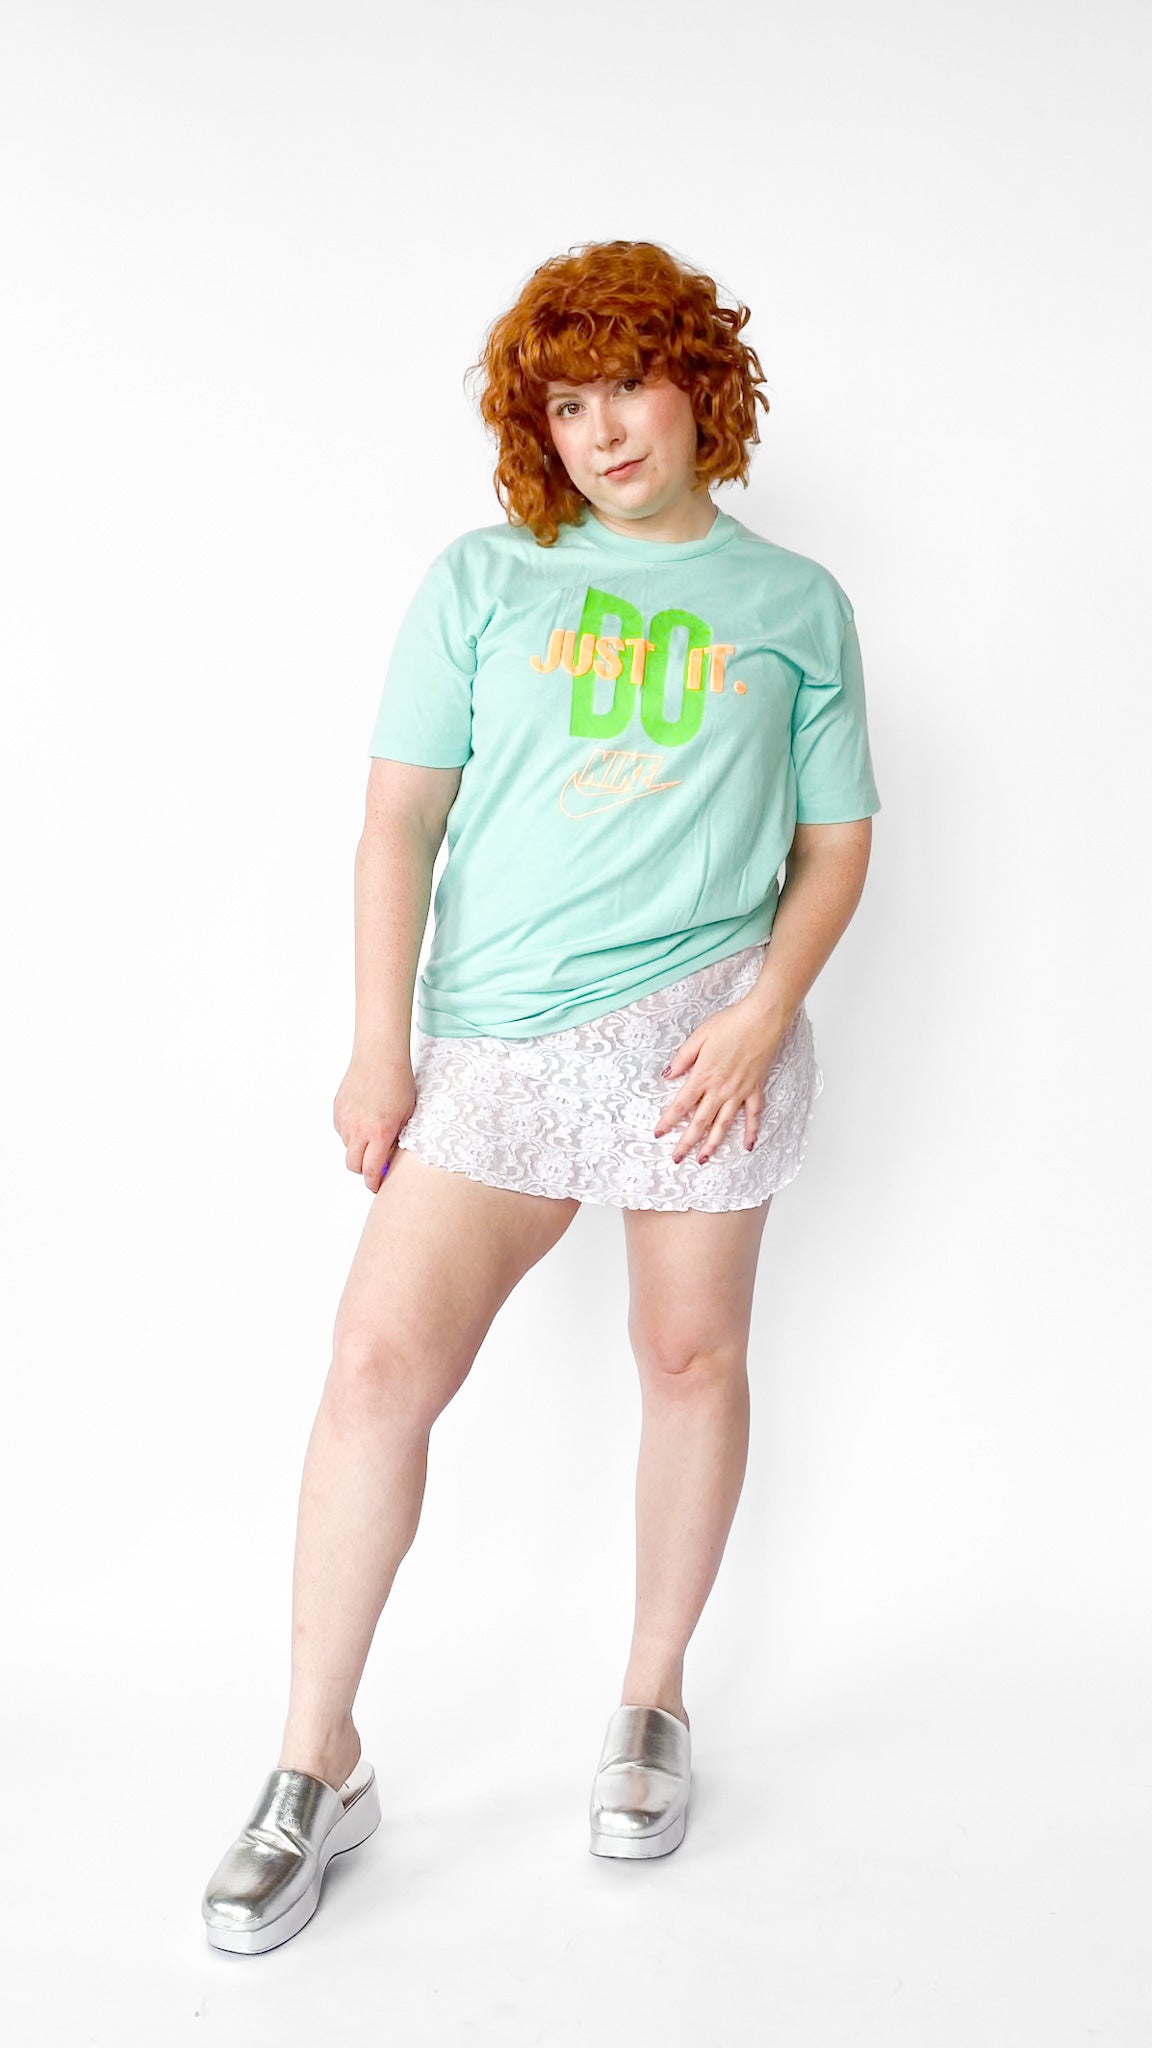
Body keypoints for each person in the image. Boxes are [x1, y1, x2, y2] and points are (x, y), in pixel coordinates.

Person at [201, 238, 881, 1952]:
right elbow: (399, 822)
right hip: (497, 1040)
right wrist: (381, 1045)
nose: (602, 433)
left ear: (698, 386)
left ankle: (651, 1700)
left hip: (700, 1035)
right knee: (376, 1370)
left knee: (689, 1358)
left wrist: (768, 1010)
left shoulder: (796, 606)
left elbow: (835, 841)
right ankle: (314, 1762)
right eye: (566, 405)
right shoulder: (484, 581)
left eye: (628, 388)